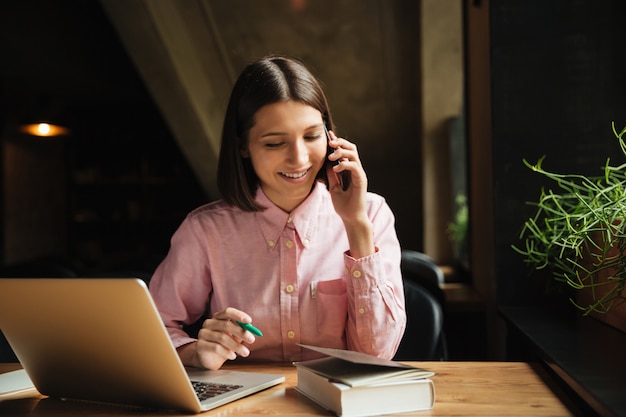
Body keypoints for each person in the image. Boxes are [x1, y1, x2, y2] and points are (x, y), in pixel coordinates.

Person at [149, 55, 406, 370]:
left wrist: (356, 226)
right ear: (243, 146)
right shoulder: (206, 230)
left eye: (311, 136)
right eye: (274, 144)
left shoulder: (371, 214)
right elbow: (153, 328)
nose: (298, 159)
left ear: (330, 137)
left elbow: (376, 355)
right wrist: (195, 353)